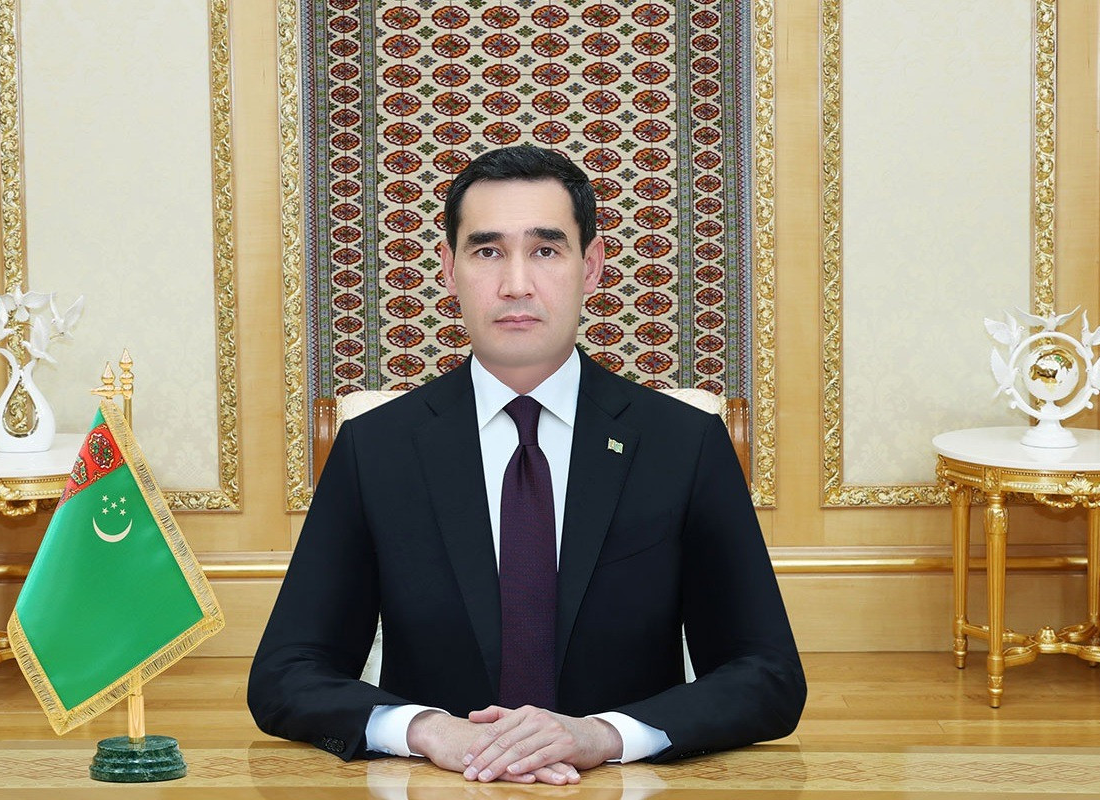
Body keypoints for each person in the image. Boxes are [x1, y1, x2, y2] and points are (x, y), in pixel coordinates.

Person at [248, 145, 805, 786]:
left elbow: (767, 675)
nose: (516, 284)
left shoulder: (685, 443)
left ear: (590, 267)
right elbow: (286, 674)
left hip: (619, 786)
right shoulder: (375, 448)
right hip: (439, 786)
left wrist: (604, 734)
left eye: (545, 250)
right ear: (449, 269)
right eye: (487, 252)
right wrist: (427, 730)